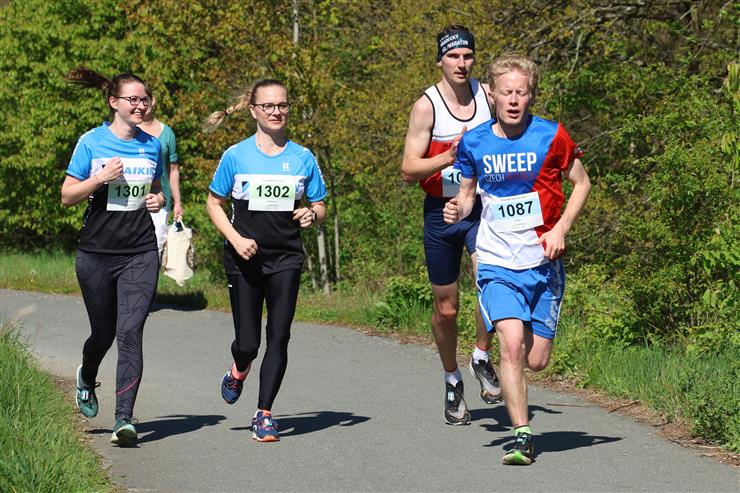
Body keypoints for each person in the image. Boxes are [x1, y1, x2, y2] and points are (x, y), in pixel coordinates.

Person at [443, 53, 591, 464]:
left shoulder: (552, 135)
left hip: (542, 263)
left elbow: (582, 184)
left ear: (531, 96)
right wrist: (457, 208)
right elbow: (467, 195)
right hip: (495, 261)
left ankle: (515, 367)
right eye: (506, 92)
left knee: (536, 360)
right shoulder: (475, 142)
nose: (513, 100)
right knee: (510, 345)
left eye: (521, 93)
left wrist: (560, 230)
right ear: (491, 95)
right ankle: (522, 435)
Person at [204, 79, 327, 442]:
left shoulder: (303, 157)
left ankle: (264, 413)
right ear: (254, 110)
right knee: (248, 343)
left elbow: (319, 205)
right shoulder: (236, 155)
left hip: (286, 257)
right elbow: (214, 203)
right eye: (268, 106)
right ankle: (239, 369)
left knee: (279, 336)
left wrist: (312, 214)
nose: (276, 112)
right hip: (244, 258)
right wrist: (236, 239)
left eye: (282, 105)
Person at [401, 25, 501, 426]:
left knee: (490, 283)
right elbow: (408, 169)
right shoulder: (427, 106)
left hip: (480, 209)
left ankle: (481, 355)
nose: (462, 63)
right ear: (440, 60)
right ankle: (451, 378)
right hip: (440, 212)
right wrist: (449, 155)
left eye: (468, 56)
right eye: (453, 56)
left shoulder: (488, 97)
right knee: (446, 309)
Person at [61, 68, 166, 446]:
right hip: (96, 253)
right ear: (113, 102)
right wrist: (99, 178)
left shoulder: (152, 144)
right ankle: (87, 375)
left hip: (140, 251)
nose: (140, 105)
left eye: (144, 99)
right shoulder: (91, 142)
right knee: (103, 333)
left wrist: (158, 199)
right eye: (132, 99)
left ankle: (124, 418)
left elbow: (156, 190)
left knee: (130, 332)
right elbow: (67, 196)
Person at [138, 97, 183, 256]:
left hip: (160, 200)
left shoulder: (167, 133)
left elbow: (173, 170)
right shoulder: (129, 131)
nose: (142, 105)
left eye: (145, 100)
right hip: (132, 199)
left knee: (155, 245)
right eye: (136, 100)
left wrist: (177, 202)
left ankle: (151, 272)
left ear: (154, 100)